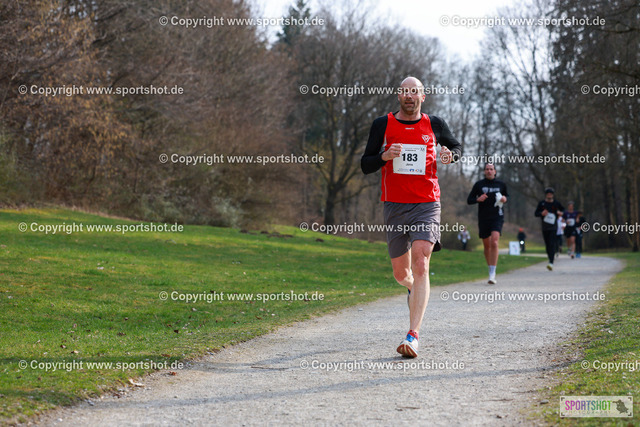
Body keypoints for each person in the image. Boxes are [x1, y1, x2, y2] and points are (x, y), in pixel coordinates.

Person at [361, 76, 462, 358]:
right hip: (394, 205)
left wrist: (449, 156)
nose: (409, 96)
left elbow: (456, 148)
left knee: (421, 262)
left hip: (426, 203)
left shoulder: (435, 124)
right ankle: (413, 289)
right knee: (401, 274)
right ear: (398, 95)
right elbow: (365, 164)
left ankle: (412, 335)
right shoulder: (382, 124)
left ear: (422, 96)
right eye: (405, 91)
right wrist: (384, 156)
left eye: (414, 92)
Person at [466, 163, 508, 284]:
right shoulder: (479, 184)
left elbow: (507, 196)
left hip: (497, 216)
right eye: (487, 169)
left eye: (491, 169)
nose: (489, 171)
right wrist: (477, 199)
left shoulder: (501, 184)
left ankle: (492, 273)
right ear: (484, 171)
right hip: (484, 218)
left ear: (495, 171)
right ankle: (490, 268)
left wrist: (505, 199)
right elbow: (469, 200)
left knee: (494, 242)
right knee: (487, 246)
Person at [534, 188, 564, 270]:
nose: (549, 195)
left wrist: (561, 213)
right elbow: (536, 213)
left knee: (552, 243)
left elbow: (563, 210)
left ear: (553, 195)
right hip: (545, 227)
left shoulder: (556, 203)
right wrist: (541, 213)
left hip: (553, 227)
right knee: (547, 244)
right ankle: (550, 258)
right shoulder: (542, 203)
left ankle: (551, 262)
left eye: (551, 194)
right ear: (546, 195)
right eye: (548, 194)